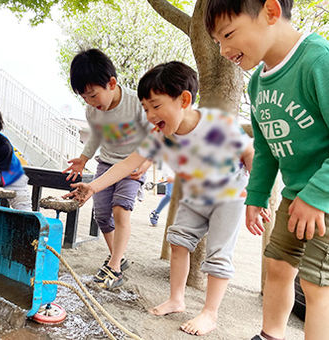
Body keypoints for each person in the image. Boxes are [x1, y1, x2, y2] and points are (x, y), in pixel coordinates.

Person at [65, 61, 254, 336]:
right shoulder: (160, 135)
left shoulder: (216, 124)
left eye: (156, 106)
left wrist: (257, 198)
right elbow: (128, 163)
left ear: (184, 100)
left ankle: (209, 313)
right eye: (145, 109)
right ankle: (177, 299)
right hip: (194, 192)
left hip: (229, 194)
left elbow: (248, 153)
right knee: (178, 241)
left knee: (218, 253)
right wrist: (94, 187)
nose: (150, 115)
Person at [206, 1, 329, 339]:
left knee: (316, 283)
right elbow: (266, 148)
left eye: (228, 34)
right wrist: (256, 196)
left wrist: (318, 196)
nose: (224, 49)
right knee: (277, 266)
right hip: (295, 196)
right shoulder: (257, 84)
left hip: (325, 197)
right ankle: (270, 334)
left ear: (271, 12)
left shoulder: (318, 60)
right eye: (218, 41)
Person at [63, 49, 153, 290]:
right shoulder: (93, 111)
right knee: (102, 215)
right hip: (107, 164)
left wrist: (146, 163)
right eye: (85, 98)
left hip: (133, 166)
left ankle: (113, 267)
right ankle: (118, 258)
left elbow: (154, 138)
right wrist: (83, 159)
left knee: (121, 209)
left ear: (112, 83)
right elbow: (96, 136)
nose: (92, 103)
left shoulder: (136, 104)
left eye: (93, 95)